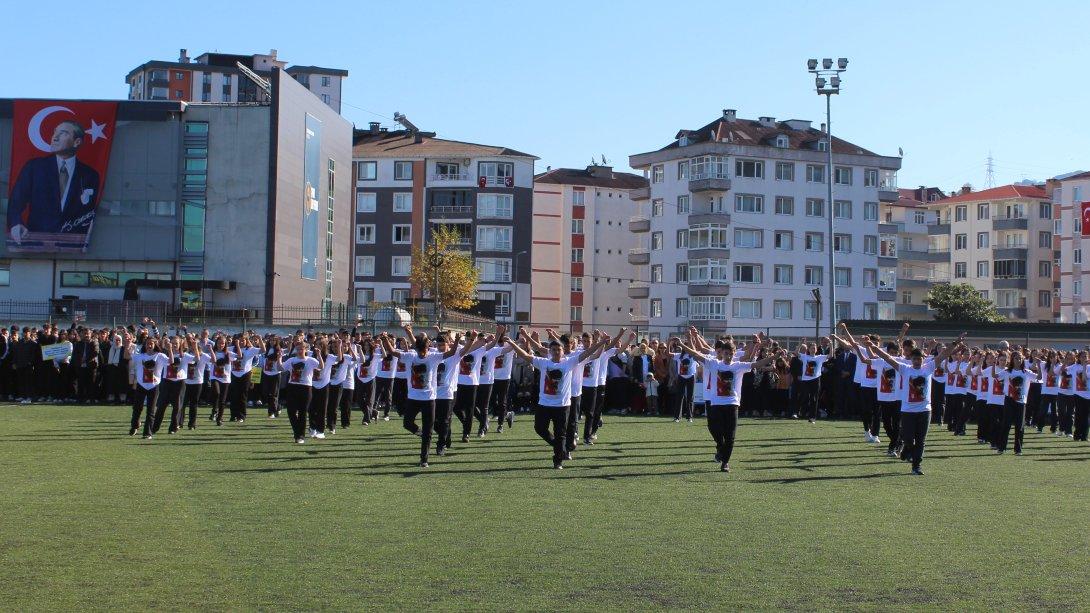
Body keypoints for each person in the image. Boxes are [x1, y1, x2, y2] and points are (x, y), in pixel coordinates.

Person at [506, 327, 618, 469]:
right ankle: (559, 446)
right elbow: (526, 356)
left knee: (561, 433)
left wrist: (600, 342)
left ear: (563, 351)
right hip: (544, 404)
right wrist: (512, 343)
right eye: (553, 350)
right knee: (539, 428)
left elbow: (588, 353)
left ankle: (558, 460)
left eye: (559, 350)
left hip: (562, 405)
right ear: (550, 352)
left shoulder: (569, 362)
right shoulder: (544, 362)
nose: (556, 352)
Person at [863, 336, 961, 475]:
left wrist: (955, 342)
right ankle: (907, 449)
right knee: (908, 439)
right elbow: (888, 358)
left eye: (919, 359)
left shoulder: (928, 368)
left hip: (925, 410)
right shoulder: (905, 368)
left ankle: (916, 466)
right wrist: (873, 348)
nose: (917, 362)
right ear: (911, 360)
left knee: (921, 440)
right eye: (914, 359)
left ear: (922, 359)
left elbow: (943, 355)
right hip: (907, 410)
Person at [679, 331, 774, 473]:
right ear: (721, 353)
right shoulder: (713, 362)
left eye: (730, 354)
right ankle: (720, 446)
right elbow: (697, 353)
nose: (728, 356)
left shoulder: (738, 365)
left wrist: (774, 355)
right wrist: (682, 343)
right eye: (725, 353)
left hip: (732, 404)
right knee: (714, 428)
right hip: (715, 403)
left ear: (733, 353)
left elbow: (756, 363)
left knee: (730, 436)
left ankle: (725, 462)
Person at [380, 325, 464, 467]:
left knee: (428, 431)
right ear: (418, 348)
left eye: (424, 350)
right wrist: (385, 340)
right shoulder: (411, 356)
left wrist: (456, 340)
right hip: (413, 398)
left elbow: (452, 353)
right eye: (421, 350)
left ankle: (424, 459)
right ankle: (419, 432)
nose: (423, 353)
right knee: (407, 423)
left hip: (429, 400)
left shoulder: (433, 357)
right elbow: (393, 352)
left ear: (427, 347)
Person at [7, 120, 102, 243]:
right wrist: (16, 224)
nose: (54, 137)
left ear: (76, 142)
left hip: (75, 245)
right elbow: (15, 203)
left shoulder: (90, 175)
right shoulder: (35, 168)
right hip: (36, 242)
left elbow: (91, 211)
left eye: (62, 133)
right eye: (54, 132)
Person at [277, 341, 323, 444]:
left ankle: (300, 436)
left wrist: (319, 355)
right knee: (291, 412)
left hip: (306, 388)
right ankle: (297, 432)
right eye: (298, 349)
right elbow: (280, 368)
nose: (299, 351)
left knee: (302, 413)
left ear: (306, 349)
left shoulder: (310, 360)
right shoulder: (291, 360)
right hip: (292, 387)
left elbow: (321, 367)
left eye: (302, 349)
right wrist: (279, 357)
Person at [129, 336, 171, 439]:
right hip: (141, 385)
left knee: (151, 410)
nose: (149, 345)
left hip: (154, 386)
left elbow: (170, 362)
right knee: (137, 408)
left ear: (155, 344)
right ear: (145, 345)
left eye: (151, 343)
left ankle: (147, 433)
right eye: (147, 343)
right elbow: (127, 357)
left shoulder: (160, 356)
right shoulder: (140, 356)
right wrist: (127, 346)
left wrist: (169, 349)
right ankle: (135, 425)